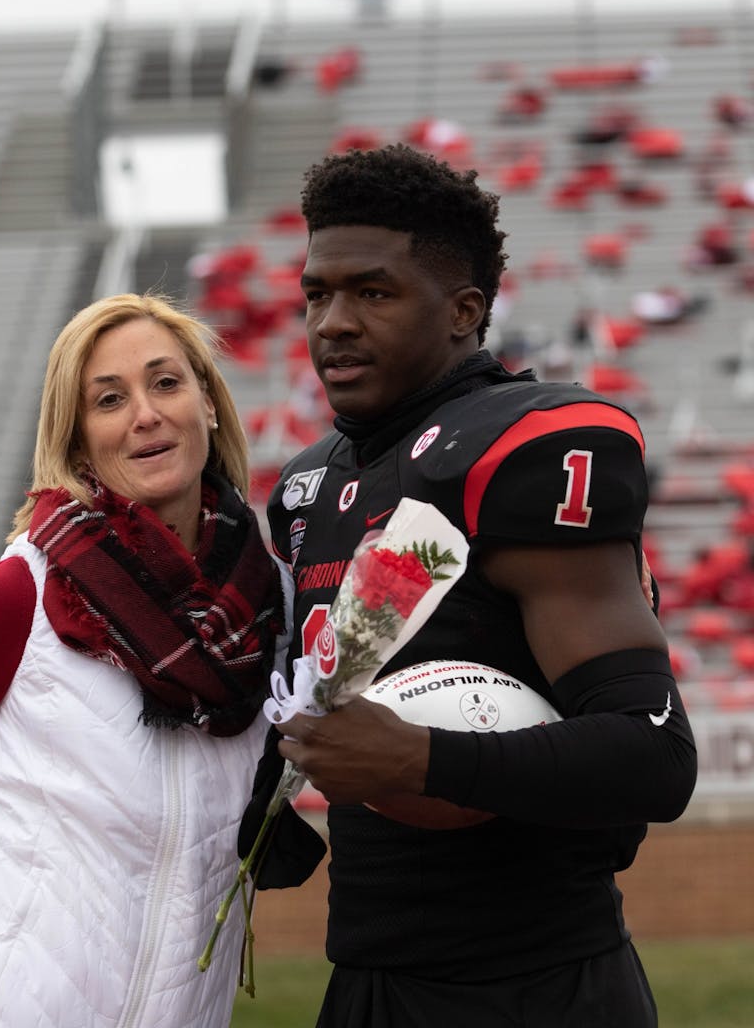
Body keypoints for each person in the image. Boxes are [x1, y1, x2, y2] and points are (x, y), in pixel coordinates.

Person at [258, 145, 697, 1027]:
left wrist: (424, 760)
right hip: (369, 974)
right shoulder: (309, 486)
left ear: (463, 311)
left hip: (535, 983)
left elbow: (654, 754)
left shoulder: (526, 447)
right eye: (318, 294)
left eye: (372, 293)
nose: (333, 323)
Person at [0, 293, 288, 1028]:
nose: (145, 414)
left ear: (208, 404)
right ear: (78, 442)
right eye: (109, 399)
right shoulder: (20, 595)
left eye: (166, 383)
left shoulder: (272, 608)